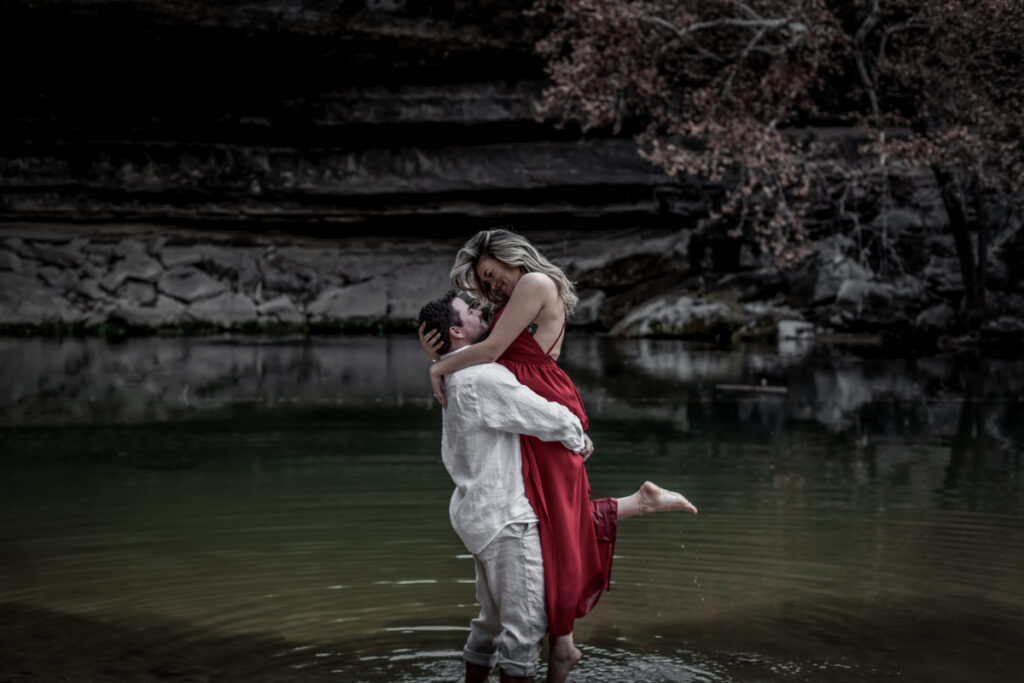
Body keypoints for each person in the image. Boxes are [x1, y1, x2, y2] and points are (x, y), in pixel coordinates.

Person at [418, 230, 697, 683]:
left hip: (540, 398)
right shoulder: (507, 307)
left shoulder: (533, 283)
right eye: (483, 284)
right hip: (527, 399)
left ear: (511, 258)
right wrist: (444, 353)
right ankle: (564, 643)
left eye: (491, 275)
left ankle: (563, 640)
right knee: (552, 520)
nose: (491, 288)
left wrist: (438, 365)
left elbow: (487, 351)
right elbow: (477, 347)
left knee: (555, 520)